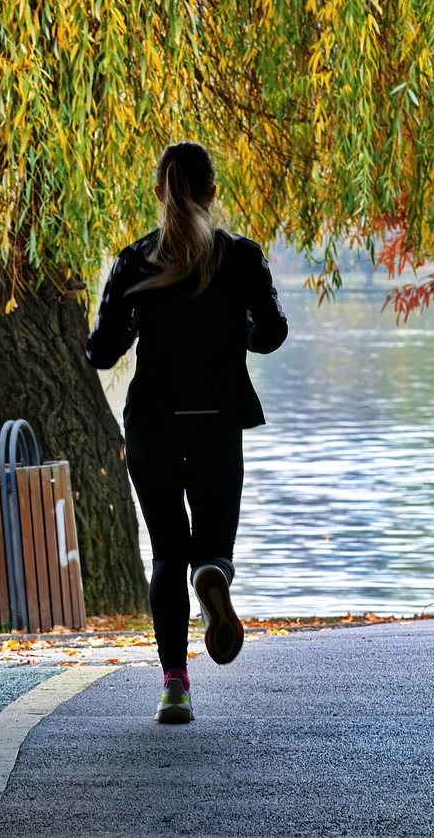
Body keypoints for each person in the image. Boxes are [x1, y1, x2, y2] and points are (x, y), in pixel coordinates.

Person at [85, 141, 288, 723]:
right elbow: (271, 333)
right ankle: (214, 575)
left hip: (152, 424)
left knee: (167, 553)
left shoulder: (134, 261)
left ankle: (175, 685)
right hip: (218, 422)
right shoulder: (243, 258)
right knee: (211, 547)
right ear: (212, 192)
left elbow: (104, 351)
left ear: (159, 193)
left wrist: (114, 331)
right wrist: (233, 327)